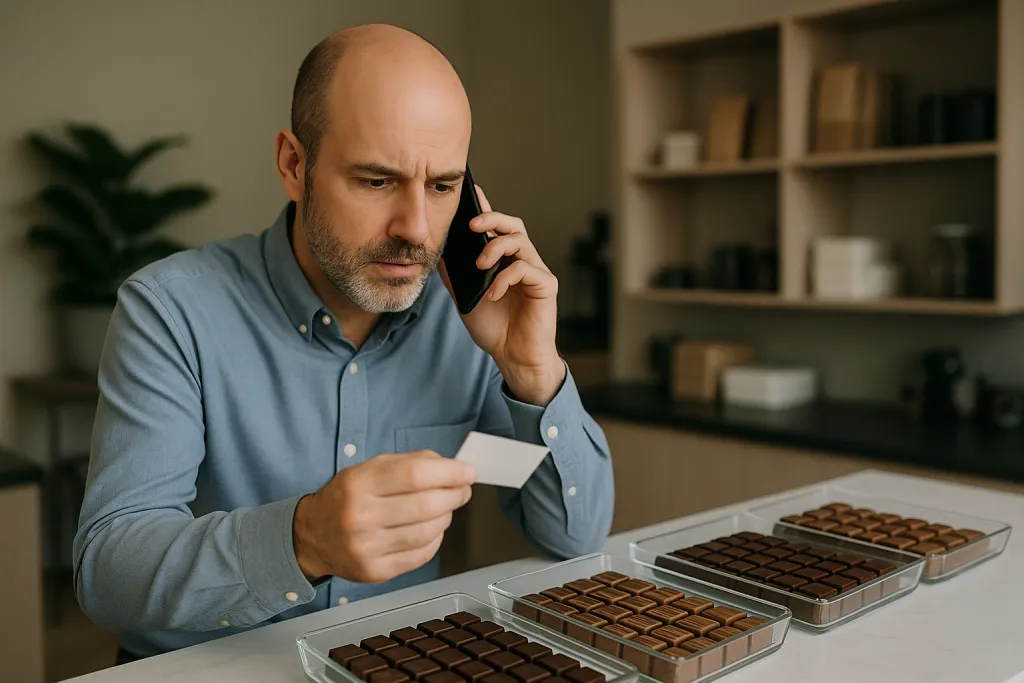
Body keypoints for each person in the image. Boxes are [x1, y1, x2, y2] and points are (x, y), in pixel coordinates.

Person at [72, 23, 615, 661]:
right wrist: (303, 541)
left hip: (399, 664)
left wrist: (532, 371)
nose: (416, 230)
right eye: (376, 181)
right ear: (294, 165)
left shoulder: (469, 325)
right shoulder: (171, 311)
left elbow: (574, 537)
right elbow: (107, 573)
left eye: (442, 186)